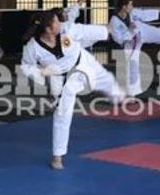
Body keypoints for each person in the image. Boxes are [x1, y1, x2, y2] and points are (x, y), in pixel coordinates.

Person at [21, 9, 125, 170]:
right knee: (62, 114)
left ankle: (119, 98)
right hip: (61, 80)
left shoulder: (66, 30)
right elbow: (26, 66)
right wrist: (40, 73)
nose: (59, 23)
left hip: (83, 62)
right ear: (48, 29)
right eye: (56, 21)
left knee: (107, 80)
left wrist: (106, 30)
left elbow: (84, 30)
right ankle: (57, 156)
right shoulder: (32, 48)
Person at [109, 0, 160, 95]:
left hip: (141, 33)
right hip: (129, 45)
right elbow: (119, 39)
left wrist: (158, 11)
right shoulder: (114, 21)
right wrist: (129, 30)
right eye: (130, 5)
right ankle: (133, 92)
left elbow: (143, 14)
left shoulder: (132, 13)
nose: (132, 7)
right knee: (133, 66)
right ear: (124, 7)